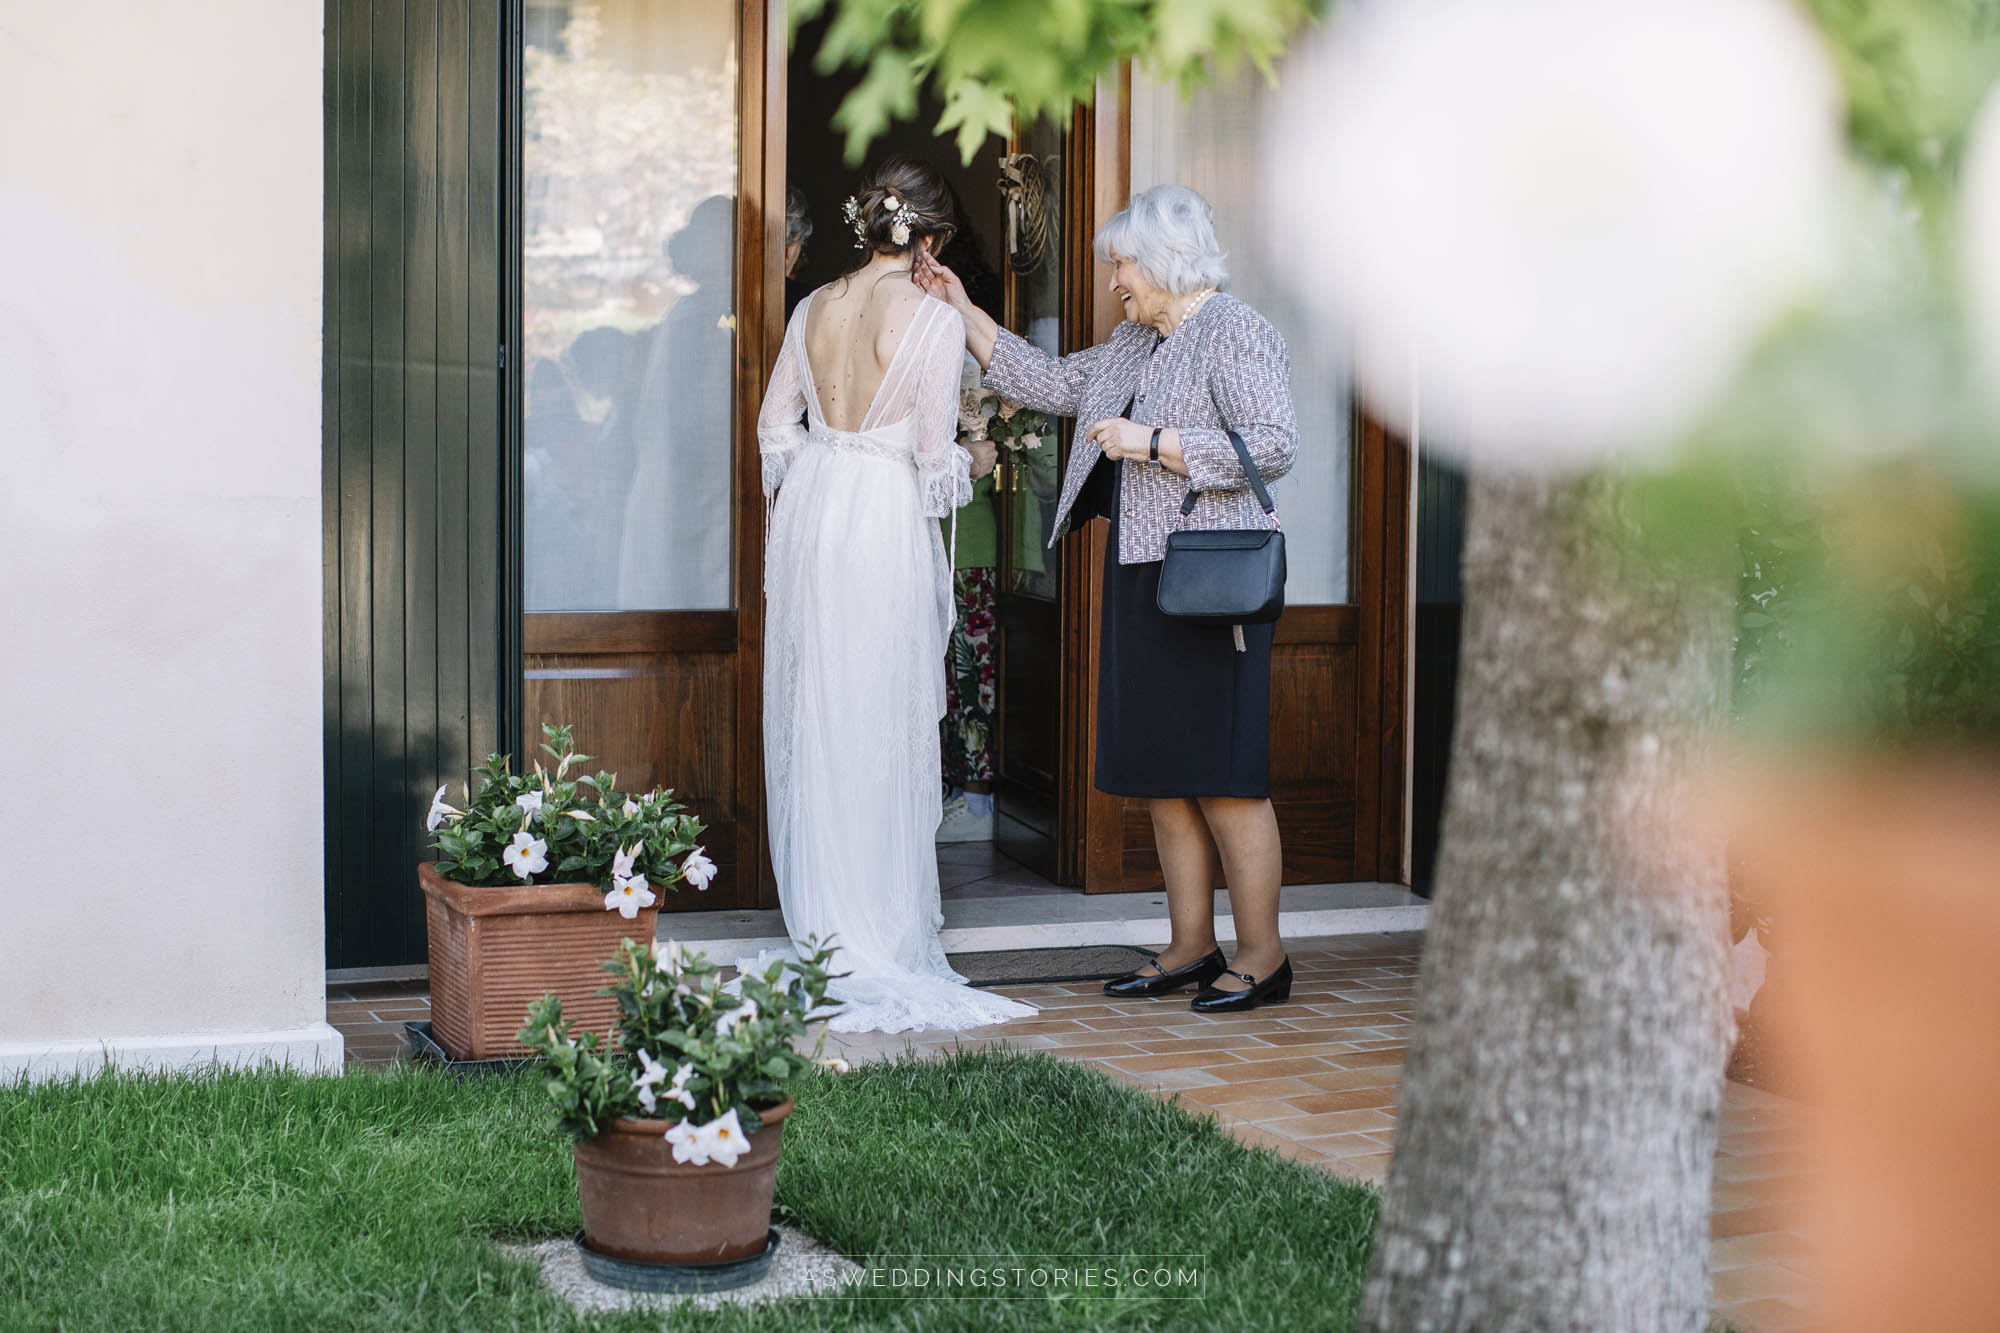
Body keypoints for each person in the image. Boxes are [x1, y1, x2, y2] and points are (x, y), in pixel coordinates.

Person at [916, 183, 1300, 1013]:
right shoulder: (1136, 342)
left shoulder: (1235, 330)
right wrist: (961, 308)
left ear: (1164, 261)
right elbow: (1054, 382)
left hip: (1212, 583)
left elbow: (1274, 444)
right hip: (1143, 574)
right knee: (1165, 772)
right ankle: (1190, 945)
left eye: (1122, 263)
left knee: (1225, 778)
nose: (1114, 279)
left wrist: (1151, 442)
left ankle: (1263, 955)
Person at [756, 156, 1034, 1034]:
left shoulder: (811, 306)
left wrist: (819, 478)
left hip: (816, 517)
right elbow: (932, 466)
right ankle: (875, 924)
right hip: (879, 519)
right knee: (880, 709)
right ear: (931, 239)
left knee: (823, 709)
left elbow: (774, 429)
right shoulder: (932, 320)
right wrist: (982, 457)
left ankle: (824, 919)